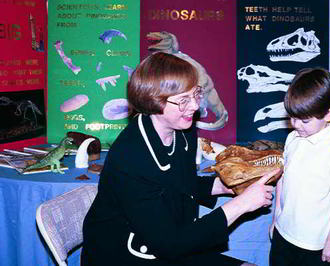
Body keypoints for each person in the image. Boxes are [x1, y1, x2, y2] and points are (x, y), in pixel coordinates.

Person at [82, 52, 278, 266]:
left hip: (172, 240)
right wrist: (241, 205)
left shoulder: (182, 129)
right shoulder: (130, 158)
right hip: (125, 254)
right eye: (183, 100)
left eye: (196, 94)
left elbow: (175, 183)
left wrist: (221, 185)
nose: (194, 106)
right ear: (153, 101)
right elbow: (169, 244)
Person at [269, 68, 330, 266]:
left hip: (314, 245)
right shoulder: (293, 138)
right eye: (293, 117)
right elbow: (283, 178)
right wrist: (277, 217)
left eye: (305, 120)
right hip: (284, 233)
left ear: (328, 114)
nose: (296, 125)